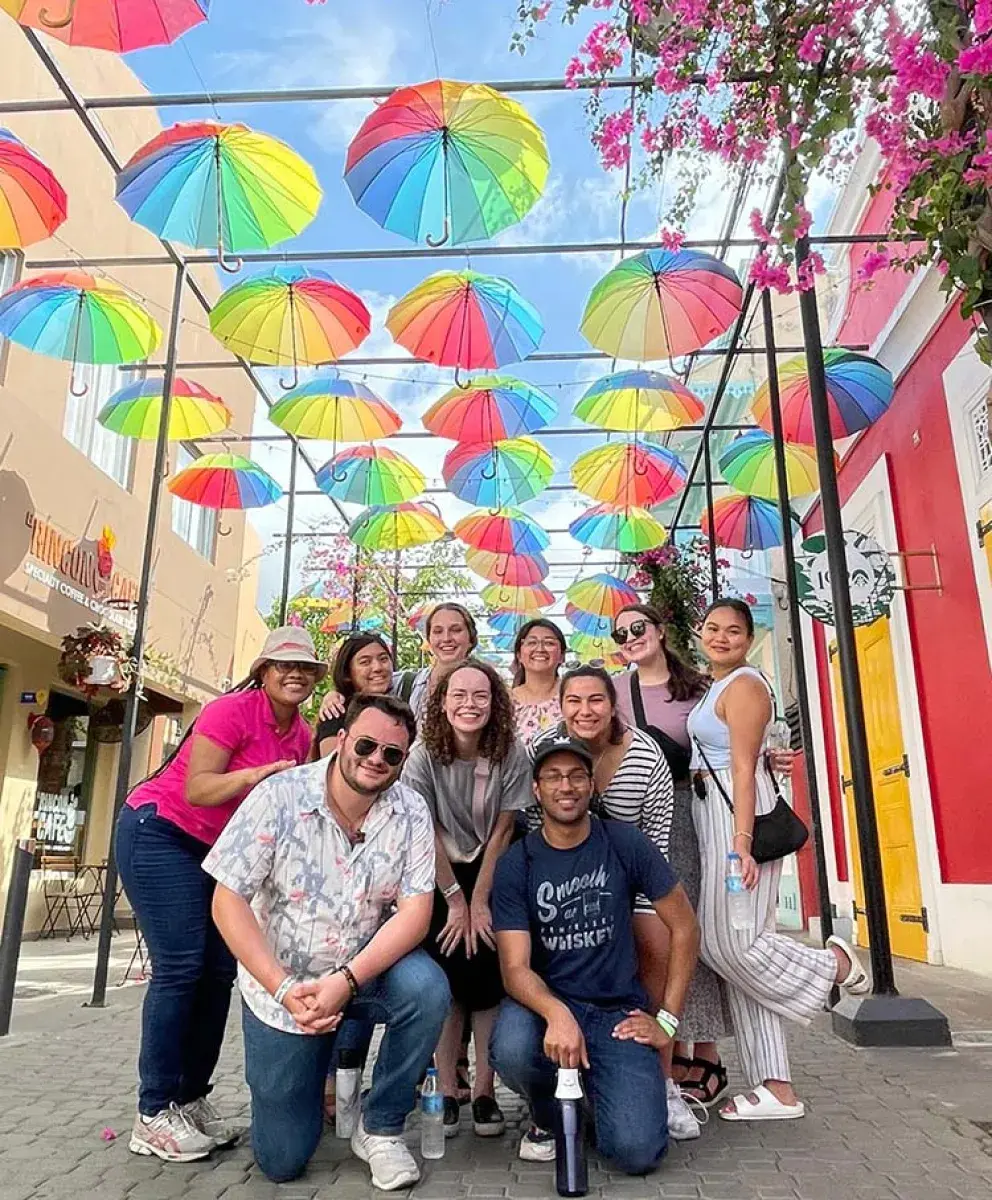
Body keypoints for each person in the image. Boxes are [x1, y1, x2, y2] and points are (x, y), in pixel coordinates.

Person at [203, 694, 450, 1189]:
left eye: (392, 753)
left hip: (364, 972)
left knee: (428, 989)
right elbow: (227, 900)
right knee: (282, 1160)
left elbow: (416, 914)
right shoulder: (279, 796)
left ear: (404, 761)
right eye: (366, 745)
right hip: (284, 987)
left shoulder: (411, 811)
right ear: (341, 741)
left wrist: (346, 980)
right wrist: (281, 988)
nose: (376, 759)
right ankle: (310, 1077)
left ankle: (380, 1127)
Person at [116, 627, 323, 1164]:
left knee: (218, 973)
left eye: (305, 667)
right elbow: (198, 787)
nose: (295, 674)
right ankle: (153, 1111)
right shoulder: (230, 712)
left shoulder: (300, 733)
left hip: (219, 854)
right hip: (161, 831)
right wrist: (258, 776)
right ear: (263, 672)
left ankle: (190, 1098)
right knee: (180, 967)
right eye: (284, 665)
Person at [688, 599, 870, 1121]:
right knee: (739, 952)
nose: (721, 638)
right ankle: (775, 1088)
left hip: (737, 818)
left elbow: (744, 769)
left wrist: (741, 842)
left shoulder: (746, 685)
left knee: (732, 945)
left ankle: (833, 966)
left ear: (749, 639)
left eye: (734, 631)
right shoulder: (718, 685)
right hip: (713, 815)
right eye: (713, 628)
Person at [490, 735, 700, 1172]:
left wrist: (667, 1020)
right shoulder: (517, 863)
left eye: (576, 776)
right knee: (510, 1048)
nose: (565, 786)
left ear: (591, 785)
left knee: (636, 1152)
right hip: (544, 1011)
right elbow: (514, 968)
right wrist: (556, 1013)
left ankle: (594, 1098)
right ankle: (550, 1116)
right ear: (536, 789)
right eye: (553, 777)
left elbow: (684, 926)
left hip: (616, 1015)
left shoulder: (625, 843)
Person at [528, 667, 700, 1140]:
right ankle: (560, 1080)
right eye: (574, 701)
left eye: (596, 700)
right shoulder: (544, 748)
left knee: (656, 937)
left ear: (612, 704)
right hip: (566, 880)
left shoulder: (645, 755)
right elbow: (534, 829)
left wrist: (626, 902)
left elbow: (656, 840)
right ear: (561, 706)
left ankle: (663, 1077)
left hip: (634, 876)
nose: (585, 711)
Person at [402, 658, 532, 1139]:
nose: (469, 704)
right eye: (459, 695)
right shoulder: (422, 756)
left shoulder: (511, 753)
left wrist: (480, 900)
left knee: (486, 971)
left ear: (495, 702)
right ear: (442, 702)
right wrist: (456, 899)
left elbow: (504, 829)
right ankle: (447, 1088)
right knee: (449, 971)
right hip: (438, 868)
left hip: (495, 868)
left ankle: (483, 1091)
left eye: (480, 695)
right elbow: (426, 829)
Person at [611, 605, 732, 1108]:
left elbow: (731, 743)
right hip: (642, 815)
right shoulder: (614, 690)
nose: (630, 636)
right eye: (620, 632)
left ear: (661, 631)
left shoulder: (700, 689)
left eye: (638, 627)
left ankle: (706, 1053)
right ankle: (673, 1048)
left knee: (693, 927)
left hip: (693, 814)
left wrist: (769, 756)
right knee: (657, 934)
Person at [319, 603, 478, 724]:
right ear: (429, 639)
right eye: (438, 631)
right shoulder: (404, 682)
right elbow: (359, 686)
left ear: (471, 638)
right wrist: (333, 696)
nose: (446, 638)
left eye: (456, 630)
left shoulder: (486, 686)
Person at [314, 634, 393, 757]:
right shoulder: (336, 712)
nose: (378, 667)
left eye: (383, 659)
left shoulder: (398, 710)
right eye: (365, 662)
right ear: (347, 673)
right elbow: (331, 763)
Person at [510, 617, 567, 746]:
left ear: (562, 656)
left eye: (549, 643)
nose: (540, 649)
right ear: (519, 655)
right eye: (531, 642)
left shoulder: (573, 697)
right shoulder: (505, 702)